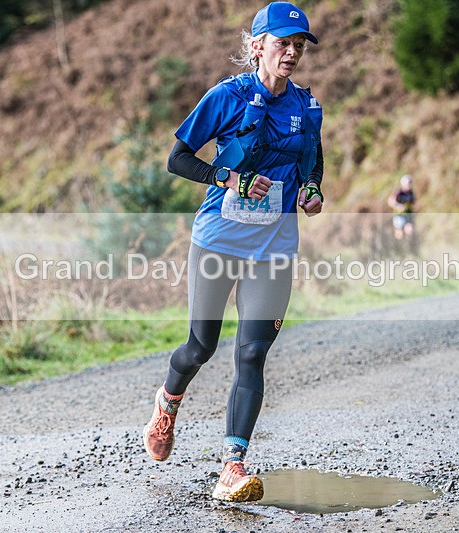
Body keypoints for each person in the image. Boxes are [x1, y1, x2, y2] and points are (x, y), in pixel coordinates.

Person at [142, 1, 323, 503]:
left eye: (299, 46)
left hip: (275, 246)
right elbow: (178, 158)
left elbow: (314, 163)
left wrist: (312, 191)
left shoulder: (306, 108)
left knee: (252, 353)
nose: (291, 53)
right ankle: (168, 399)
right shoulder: (227, 97)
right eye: (282, 44)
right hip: (219, 239)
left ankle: (233, 465)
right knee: (202, 346)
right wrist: (227, 176)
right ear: (257, 46)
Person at [387, 174, 417, 241]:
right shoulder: (399, 192)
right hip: (399, 215)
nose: (409, 185)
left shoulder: (411, 193)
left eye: (410, 183)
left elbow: (414, 203)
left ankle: (409, 247)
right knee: (399, 234)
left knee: (410, 231)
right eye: (408, 183)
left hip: (408, 215)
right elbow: (390, 201)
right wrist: (397, 206)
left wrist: (414, 207)